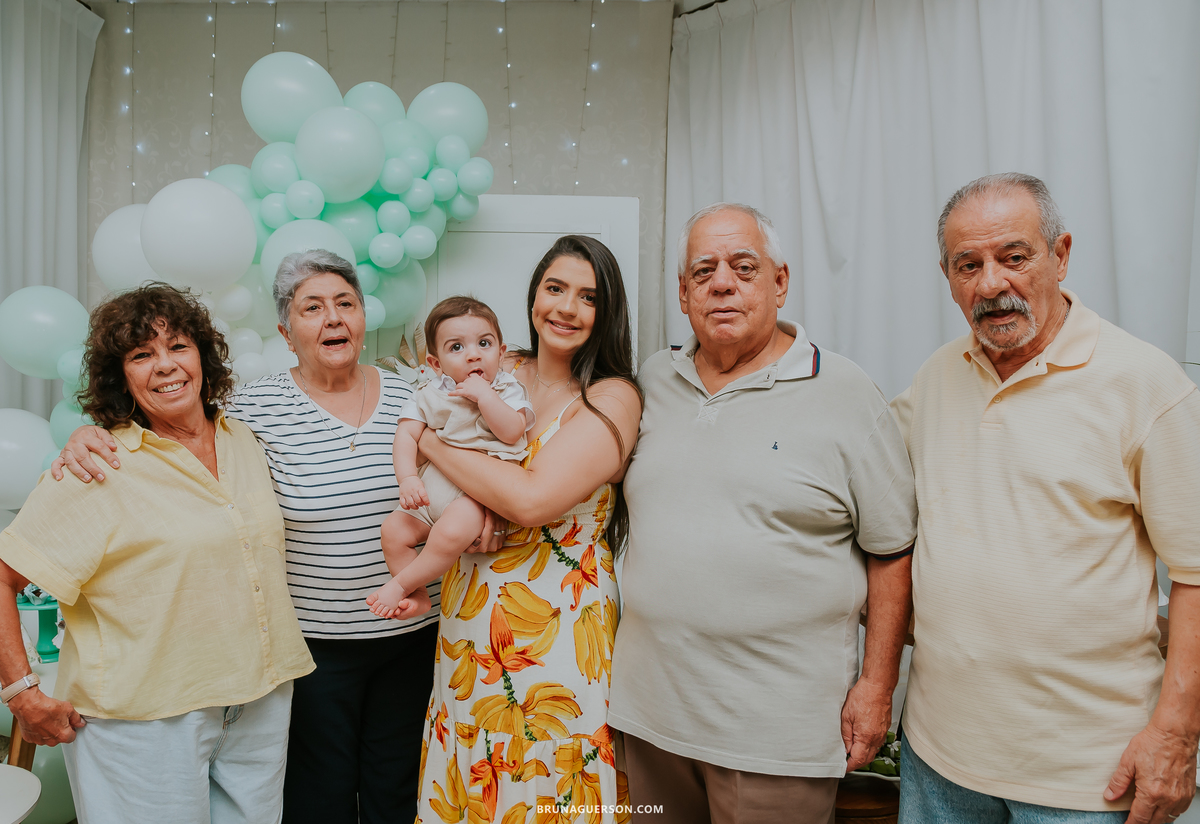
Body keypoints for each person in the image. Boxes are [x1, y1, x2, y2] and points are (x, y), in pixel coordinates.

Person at [53, 250, 476, 824]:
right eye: (312, 308)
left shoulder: (417, 397)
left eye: (345, 304)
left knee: (398, 792)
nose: (333, 318)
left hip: (416, 634)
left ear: (363, 318)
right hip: (312, 649)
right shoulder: (252, 409)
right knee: (316, 801)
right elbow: (169, 424)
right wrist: (86, 433)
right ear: (286, 330)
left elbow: (487, 452)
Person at [891, 173, 1200, 824]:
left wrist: (1175, 735)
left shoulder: (1145, 383)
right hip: (937, 759)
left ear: (1060, 255)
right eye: (967, 265)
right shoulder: (937, 376)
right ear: (946, 276)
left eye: (1014, 256)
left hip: (1087, 779)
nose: (991, 283)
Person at [608, 203, 918, 823]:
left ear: (780, 281)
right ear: (683, 293)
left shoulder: (846, 391)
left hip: (776, 737)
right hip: (647, 719)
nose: (722, 282)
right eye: (704, 271)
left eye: (743, 267)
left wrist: (877, 687)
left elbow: (892, 550)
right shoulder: (650, 381)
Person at [0, 284, 314, 824]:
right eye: (142, 355)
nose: (165, 366)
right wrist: (21, 693)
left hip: (258, 699)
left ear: (203, 355)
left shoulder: (243, 438)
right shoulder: (97, 465)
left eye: (178, 347)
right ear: (120, 376)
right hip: (141, 720)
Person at [409, 235, 642, 823]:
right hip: (469, 614)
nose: (566, 308)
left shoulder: (612, 396)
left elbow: (533, 500)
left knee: (544, 774)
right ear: (534, 295)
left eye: (588, 297)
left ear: (607, 312)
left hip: (555, 626)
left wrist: (432, 443)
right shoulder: (497, 364)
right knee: (471, 759)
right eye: (555, 288)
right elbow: (413, 409)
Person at [367, 296, 534, 619]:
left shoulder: (508, 390)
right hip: (431, 490)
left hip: (474, 496)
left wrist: (485, 396)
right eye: (456, 347)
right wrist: (408, 478)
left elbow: (512, 431)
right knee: (393, 531)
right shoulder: (428, 393)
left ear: (501, 353)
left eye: (484, 343)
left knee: (451, 533)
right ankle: (418, 596)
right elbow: (406, 435)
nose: (473, 354)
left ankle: (400, 585)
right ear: (436, 364)